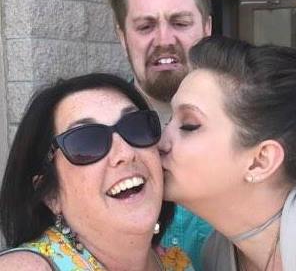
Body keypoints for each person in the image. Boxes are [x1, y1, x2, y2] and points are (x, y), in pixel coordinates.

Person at [0, 73, 194, 271]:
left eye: (136, 126)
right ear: (51, 194)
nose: (126, 153)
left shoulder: (178, 263)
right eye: (87, 141)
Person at [159, 35, 296, 271]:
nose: (160, 142)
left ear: (260, 161)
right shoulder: (215, 255)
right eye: (169, 120)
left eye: (189, 125)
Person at [109, 0, 213, 269]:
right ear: (122, 36)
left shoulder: (257, 129)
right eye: (145, 26)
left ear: (207, 28)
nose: (165, 40)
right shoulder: (92, 145)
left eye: (180, 23)